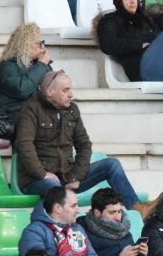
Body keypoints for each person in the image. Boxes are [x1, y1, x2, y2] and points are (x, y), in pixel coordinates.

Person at [13, 70, 148, 212]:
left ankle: (137, 209)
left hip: (66, 176)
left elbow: (84, 145)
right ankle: (74, 229)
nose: (71, 94)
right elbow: (24, 145)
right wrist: (43, 174)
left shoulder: (72, 109)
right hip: (37, 179)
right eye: (65, 90)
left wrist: (75, 176)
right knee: (56, 190)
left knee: (111, 165)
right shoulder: (30, 109)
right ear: (49, 91)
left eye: (70, 89)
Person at [0, 22, 51, 126]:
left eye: (43, 42)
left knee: (69, 112)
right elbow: (22, 89)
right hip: (12, 117)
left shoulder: (39, 65)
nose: (43, 47)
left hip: (35, 115)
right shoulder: (7, 66)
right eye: (39, 43)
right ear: (26, 44)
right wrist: (41, 64)